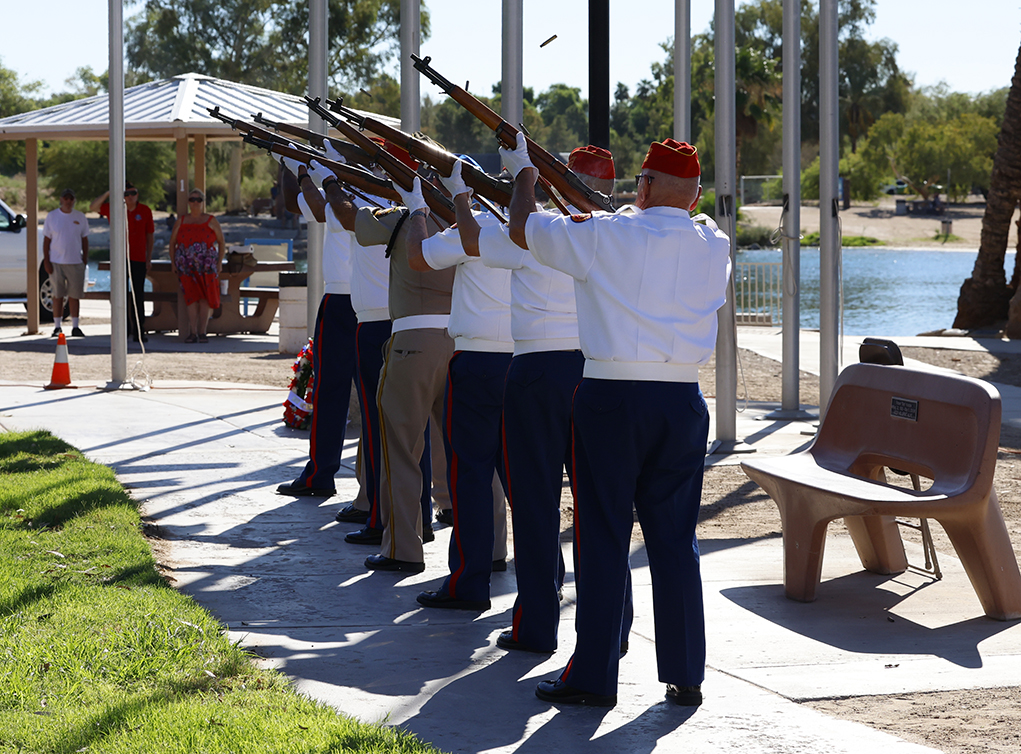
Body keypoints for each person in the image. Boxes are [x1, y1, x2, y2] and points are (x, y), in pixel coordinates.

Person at [503, 134, 732, 708]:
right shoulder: (714, 243)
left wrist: (525, 173)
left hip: (610, 395)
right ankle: (685, 672)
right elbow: (679, 226)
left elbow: (522, 229)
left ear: (645, 185)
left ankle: (594, 674)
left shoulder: (608, 233)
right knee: (675, 541)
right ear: (697, 193)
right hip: (681, 400)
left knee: (601, 537)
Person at [469, 146, 633, 653]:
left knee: (536, 503)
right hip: (596, 372)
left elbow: (475, 240)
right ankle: (613, 624)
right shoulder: (619, 230)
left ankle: (537, 625)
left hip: (538, 369)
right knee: (598, 507)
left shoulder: (541, 229)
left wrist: (516, 179)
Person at [317, 151, 455, 574]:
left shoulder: (402, 217)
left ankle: (403, 549)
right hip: (457, 340)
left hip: (412, 339)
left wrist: (331, 181)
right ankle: (487, 552)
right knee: (466, 451)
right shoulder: (465, 218)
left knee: (399, 448)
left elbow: (350, 221)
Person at [400, 162, 514, 611]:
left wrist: (416, 210)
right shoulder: (544, 228)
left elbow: (417, 257)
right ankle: (545, 581)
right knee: (526, 482)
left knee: (470, 475)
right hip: (525, 361)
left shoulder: (477, 228)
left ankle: (470, 582)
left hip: (477, 363)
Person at [274, 153, 359, 500]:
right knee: (368, 399)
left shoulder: (342, 194)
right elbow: (297, 204)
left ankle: (322, 472)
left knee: (331, 392)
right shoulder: (362, 191)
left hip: (343, 299)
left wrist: (300, 169)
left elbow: (301, 204)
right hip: (376, 302)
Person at [90, 182, 155, 342]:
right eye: (126, 194)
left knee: (138, 294)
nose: (130, 197)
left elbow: (150, 235)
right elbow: (93, 207)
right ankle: (123, 329)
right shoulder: (115, 209)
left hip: (139, 259)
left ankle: (139, 331)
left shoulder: (145, 211)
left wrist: (148, 258)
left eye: (133, 193)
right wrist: (109, 192)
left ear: (137, 194)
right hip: (120, 259)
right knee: (120, 295)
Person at [168, 190, 226, 343]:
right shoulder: (181, 221)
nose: (195, 202)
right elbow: (172, 242)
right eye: (192, 199)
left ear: (203, 202)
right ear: (188, 201)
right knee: (191, 298)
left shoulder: (211, 220)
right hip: (186, 265)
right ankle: (192, 332)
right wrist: (173, 262)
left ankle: (202, 331)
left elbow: (221, 242)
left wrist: (219, 262)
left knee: (205, 298)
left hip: (206, 264)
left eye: (198, 199)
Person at [42, 188, 89, 337]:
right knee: (57, 295)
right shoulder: (52, 216)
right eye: (66, 198)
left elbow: (85, 239)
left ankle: (75, 326)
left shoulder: (80, 217)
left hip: (75, 261)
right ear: (61, 200)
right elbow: (47, 240)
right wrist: (47, 260)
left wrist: (85, 258)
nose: (68, 201)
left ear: (74, 200)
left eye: (71, 199)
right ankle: (57, 326)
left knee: (74, 295)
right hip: (56, 261)